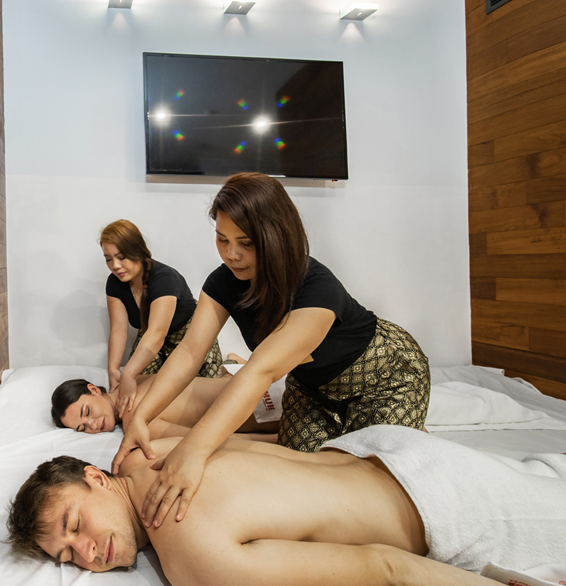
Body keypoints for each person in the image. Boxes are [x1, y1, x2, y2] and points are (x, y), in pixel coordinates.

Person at [113, 173, 430, 528]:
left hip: (385, 378)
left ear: (276, 236)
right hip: (313, 391)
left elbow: (260, 371)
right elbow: (189, 353)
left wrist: (194, 449)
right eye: (222, 239)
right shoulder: (223, 282)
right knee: (296, 477)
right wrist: (141, 416)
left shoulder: (316, 288)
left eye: (246, 243)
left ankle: (411, 435)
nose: (232, 254)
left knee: (372, 488)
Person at [6, 426, 566, 586]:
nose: (86, 553)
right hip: (384, 449)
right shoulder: (147, 451)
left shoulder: (190, 558)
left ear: (96, 477)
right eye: (68, 556)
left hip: (441, 504)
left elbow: (384, 573)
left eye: (75, 525)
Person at [99, 220, 225, 417]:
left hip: (188, 337)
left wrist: (128, 373)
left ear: (138, 250)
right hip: (150, 337)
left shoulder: (164, 278)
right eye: (108, 259)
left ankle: (233, 361)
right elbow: (118, 329)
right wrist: (114, 370)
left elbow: (158, 333)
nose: (115, 266)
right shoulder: (114, 283)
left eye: (121, 257)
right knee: (138, 392)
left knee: (204, 393)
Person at [50, 376, 278, 440]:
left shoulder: (133, 420)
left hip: (266, 407)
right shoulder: (133, 379)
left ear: (94, 389)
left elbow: (203, 439)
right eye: (82, 428)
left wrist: (278, 441)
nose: (92, 425)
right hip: (259, 378)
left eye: (87, 412)